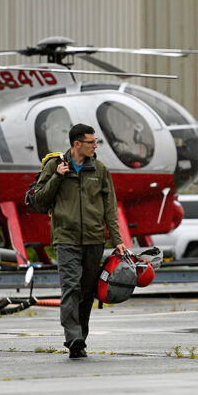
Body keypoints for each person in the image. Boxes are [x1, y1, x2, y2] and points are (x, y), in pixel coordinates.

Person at [32, 124, 128, 359]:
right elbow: (39, 199)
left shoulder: (100, 169)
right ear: (77, 144)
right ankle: (73, 337)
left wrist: (117, 240)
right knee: (71, 288)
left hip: (94, 239)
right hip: (66, 238)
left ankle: (80, 339)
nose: (96, 146)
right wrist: (57, 177)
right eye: (91, 142)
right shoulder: (55, 166)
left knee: (86, 291)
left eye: (96, 142)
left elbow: (109, 208)